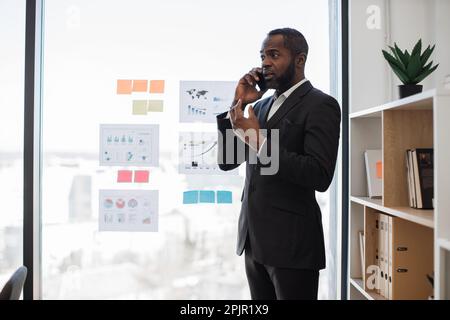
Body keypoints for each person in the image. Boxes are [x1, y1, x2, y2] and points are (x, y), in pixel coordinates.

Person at [216, 28, 341, 300]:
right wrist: (237, 103)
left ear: (299, 60)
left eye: (274, 55)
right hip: (254, 242)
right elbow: (228, 161)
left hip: (292, 246)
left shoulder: (321, 105)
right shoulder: (257, 108)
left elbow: (319, 175)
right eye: (262, 56)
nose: (265, 63)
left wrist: (258, 140)